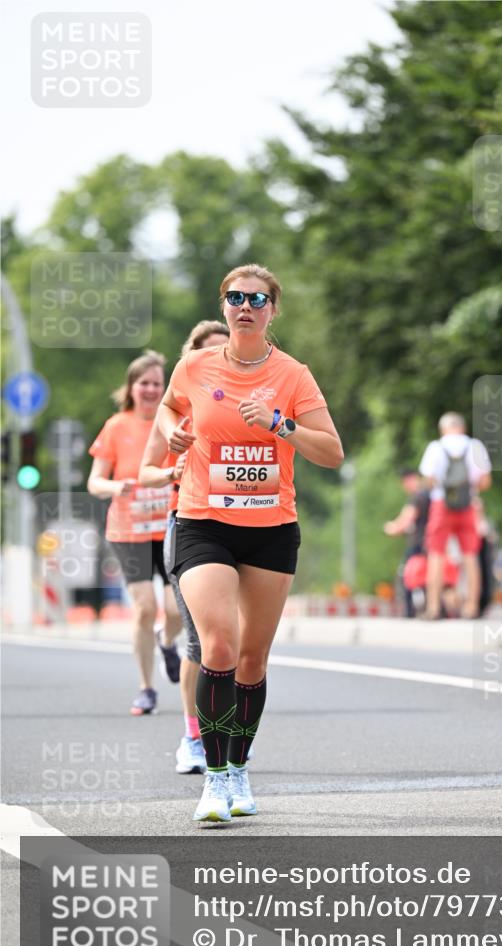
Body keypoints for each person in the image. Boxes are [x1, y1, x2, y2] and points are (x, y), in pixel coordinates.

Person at [157, 263, 344, 823]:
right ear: (223, 306)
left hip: (270, 529)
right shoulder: (193, 366)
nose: (245, 307)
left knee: (251, 659)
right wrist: (172, 430)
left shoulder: (292, 375)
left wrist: (279, 424)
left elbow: (331, 452)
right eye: (235, 297)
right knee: (217, 645)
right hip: (202, 520)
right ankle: (215, 779)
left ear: (272, 311)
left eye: (257, 300)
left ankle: (238, 766)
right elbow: (170, 408)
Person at [139, 321, 229, 775]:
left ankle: (231, 731)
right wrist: (174, 469)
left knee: (238, 641)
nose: (218, 359)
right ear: (192, 359)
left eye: (225, 350)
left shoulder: (251, 400)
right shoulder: (177, 410)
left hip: (247, 527)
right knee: (199, 640)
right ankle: (194, 736)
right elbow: (146, 472)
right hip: (191, 525)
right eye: (208, 352)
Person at [87, 351, 182, 715]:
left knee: (176, 610)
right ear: (131, 387)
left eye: (157, 383)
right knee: (145, 607)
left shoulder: (173, 422)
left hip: (169, 525)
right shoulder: (116, 426)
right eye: (143, 383)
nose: (150, 389)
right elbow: (94, 482)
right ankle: (146, 689)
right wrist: (117, 487)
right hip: (128, 530)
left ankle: (167, 641)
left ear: (164, 388)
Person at [419, 412, 492, 619]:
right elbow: (485, 482)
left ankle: (433, 607)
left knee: (436, 554)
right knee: (470, 555)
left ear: (443, 429)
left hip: (442, 504)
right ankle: (471, 606)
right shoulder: (475, 446)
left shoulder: (436, 447)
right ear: (463, 427)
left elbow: (429, 480)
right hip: (468, 505)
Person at [383, 469, 431, 617]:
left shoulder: (417, 497)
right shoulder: (431, 495)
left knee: (408, 575)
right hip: (432, 544)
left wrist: (392, 528)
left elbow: (406, 519)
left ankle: (410, 611)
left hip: (418, 544)